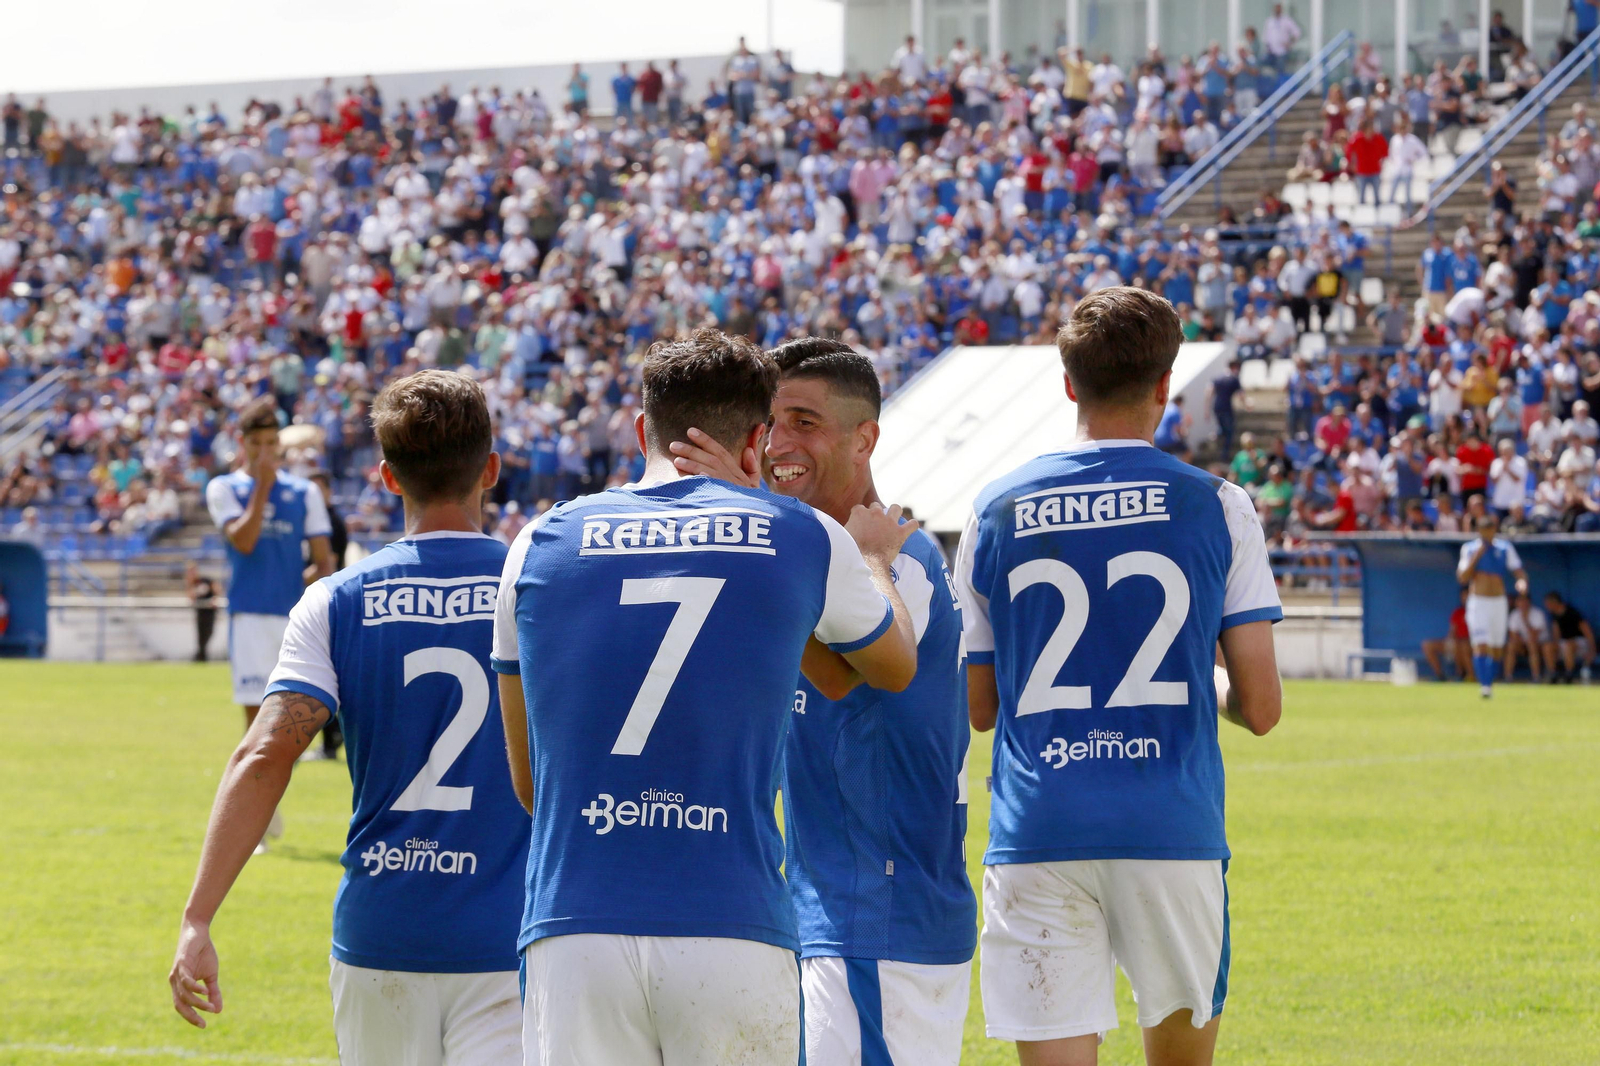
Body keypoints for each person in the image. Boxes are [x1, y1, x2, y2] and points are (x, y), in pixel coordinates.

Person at [493, 329, 921, 1065]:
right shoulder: (805, 536)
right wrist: (879, 559)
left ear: (639, 430)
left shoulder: (538, 542)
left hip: (576, 922)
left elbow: (531, 783)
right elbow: (893, 667)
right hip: (732, 917)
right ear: (757, 438)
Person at [955, 287, 1283, 1066]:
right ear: (1167, 385)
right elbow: (1262, 708)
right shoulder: (1219, 505)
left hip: (1040, 829)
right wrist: (1203, 681)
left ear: (1069, 383)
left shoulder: (994, 509)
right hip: (1168, 827)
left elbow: (978, 708)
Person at [170, 371, 529, 1065]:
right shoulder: (541, 587)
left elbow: (263, 756)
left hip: (381, 933)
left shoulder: (335, 601)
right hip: (507, 934)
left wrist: (198, 919)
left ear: (387, 479)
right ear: (490, 469)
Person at [669, 337, 976, 1066]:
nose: (778, 444)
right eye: (770, 424)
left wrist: (746, 517)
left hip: (882, 919)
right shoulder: (803, 555)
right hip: (819, 915)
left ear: (864, 438)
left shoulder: (902, 555)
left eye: (804, 421)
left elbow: (846, 675)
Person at [204, 396, 334, 851]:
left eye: (271, 443)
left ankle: (268, 798)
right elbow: (243, 540)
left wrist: (296, 589)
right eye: (256, 443)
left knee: (297, 725)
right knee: (255, 724)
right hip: (250, 617)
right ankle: (257, 820)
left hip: (296, 620)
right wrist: (260, 488)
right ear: (242, 444)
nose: (265, 452)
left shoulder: (306, 493)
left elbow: (324, 560)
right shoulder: (224, 488)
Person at [1456, 513, 1530, 698]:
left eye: (1489, 531)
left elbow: (1519, 572)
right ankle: (1485, 686)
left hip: (1498, 601)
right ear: (1478, 531)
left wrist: (1521, 583)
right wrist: (1478, 555)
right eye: (1483, 532)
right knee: (1480, 644)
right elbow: (1463, 577)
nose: (1486, 535)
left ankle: (1489, 682)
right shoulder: (1470, 548)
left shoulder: (1505, 548)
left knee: (1497, 647)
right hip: (1478, 602)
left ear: (1494, 531)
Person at [1542, 591, 1596, 683]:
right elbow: (1556, 634)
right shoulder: (1554, 616)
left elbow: (1587, 631)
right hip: (1564, 642)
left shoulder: (1572, 612)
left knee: (1568, 644)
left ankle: (1569, 674)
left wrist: (1592, 649)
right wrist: (1555, 645)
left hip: (1580, 642)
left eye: (1548, 604)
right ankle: (1553, 673)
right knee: (1548, 647)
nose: (1547, 606)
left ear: (1554, 602)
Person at [1422, 588, 1473, 681]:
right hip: (1456, 643)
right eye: (1463, 596)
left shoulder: (1478, 613)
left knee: (1462, 645)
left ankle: (1470, 676)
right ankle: (1440, 676)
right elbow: (1452, 631)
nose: (1465, 598)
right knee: (1427, 645)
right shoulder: (1457, 612)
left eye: (1468, 595)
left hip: (1472, 645)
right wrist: (1450, 640)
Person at [1505, 592, 1551, 682]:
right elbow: (1513, 635)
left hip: (1539, 643)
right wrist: (1521, 643)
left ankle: (1536, 676)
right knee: (1511, 646)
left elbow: (1534, 636)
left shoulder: (1538, 613)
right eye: (1519, 601)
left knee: (1532, 645)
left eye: (1524, 601)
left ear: (1529, 602)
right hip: (1523, 643)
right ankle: (1508, 676)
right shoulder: (1514, 614)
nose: (1521, 603)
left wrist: (1525, 620)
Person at [185, 562, 220, 663]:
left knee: (209, 632)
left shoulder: (205, 580)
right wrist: (190, 583)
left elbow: (216, 590)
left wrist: (214, 599)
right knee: (200, 635)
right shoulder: (192, 584)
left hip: (210, 612)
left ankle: (201, 655)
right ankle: (201, 656)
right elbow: (190, 598)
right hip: (200, 612)